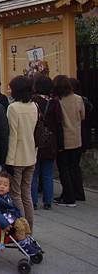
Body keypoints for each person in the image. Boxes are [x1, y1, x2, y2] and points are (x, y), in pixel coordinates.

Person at [0, 172, 40, 255]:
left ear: (9, 188)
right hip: (1, 220)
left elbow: (12, 208)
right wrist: (4, 224)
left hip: (8, 215)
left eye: (5, 185)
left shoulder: (5, 195)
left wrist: (18, 216)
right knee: (19, 226)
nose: (2, 186)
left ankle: (26, 239)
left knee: (24, 222)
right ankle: (23, 243)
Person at [5, 75, 37, 231]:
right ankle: (29, 227)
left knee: (16, 194)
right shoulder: (34, 106)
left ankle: (21, 229)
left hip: (17, 157)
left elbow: (13, 135)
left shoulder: (13, 108)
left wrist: (9, 160)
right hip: (31, 156)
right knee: (27, 194)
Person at [31, 75, 62, 210]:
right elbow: (59, 124)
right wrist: (60, 144)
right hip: (50, 141)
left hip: (36, 140)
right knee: (48, 173)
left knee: (34, 173)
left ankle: (33, 201)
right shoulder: (55, 103)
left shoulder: (33, 102)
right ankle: (48, 201)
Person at [53, 75, 85, 206]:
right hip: (76, 138)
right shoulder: (78, 99)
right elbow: (82, 116)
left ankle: (68, 197)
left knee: (64, 168)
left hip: (63, 140)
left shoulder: (57, 101)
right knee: (75, 167)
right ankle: (79, 193)